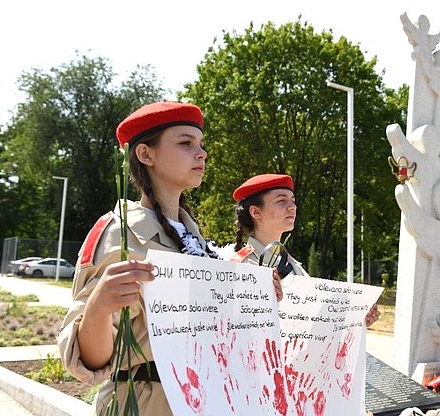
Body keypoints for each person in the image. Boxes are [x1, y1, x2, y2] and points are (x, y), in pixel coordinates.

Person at [58, 102, 283, 415]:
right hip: (148, 400)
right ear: (146, 155)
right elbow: (89, 361)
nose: (201, 153)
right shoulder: (119, 233)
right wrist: (98, 308)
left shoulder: (195, 239)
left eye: (201, 145)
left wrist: (256, 298)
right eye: (185, 143)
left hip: (206, 397)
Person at [233, 173, 380, 327]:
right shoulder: (241, 266)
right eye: (281, 200)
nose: (292, 207)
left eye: (293, 201)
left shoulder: (292, 264)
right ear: (256, 212)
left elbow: (312, 320)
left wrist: (356, 320)